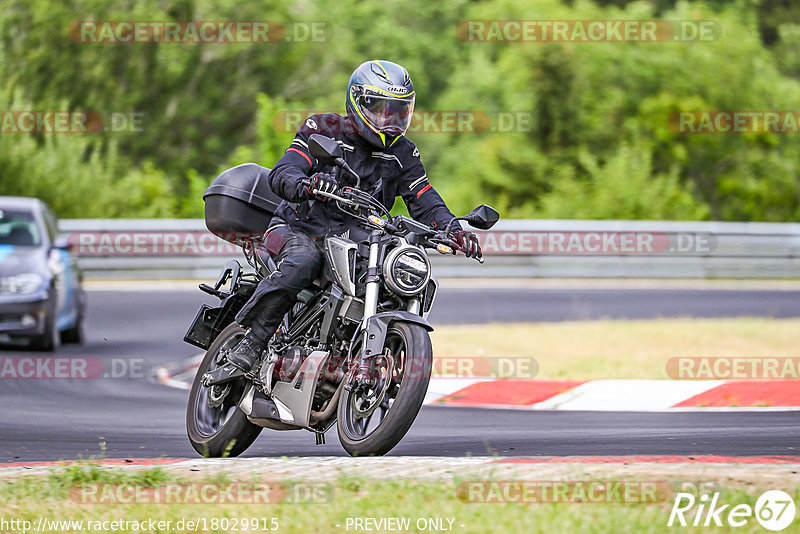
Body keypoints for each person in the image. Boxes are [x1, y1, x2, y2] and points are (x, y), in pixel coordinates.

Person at [227, 60, 482, 372]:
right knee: (303, 262)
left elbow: (424, 198)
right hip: (298, 228)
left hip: (357, 239)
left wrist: (453, 229)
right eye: (381, 109)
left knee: (399, 276)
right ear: (359, 102)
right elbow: (284, 171)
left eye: (398, 111)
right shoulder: (322, 128)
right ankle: (253, 340)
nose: (390, 120)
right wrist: (307, 184)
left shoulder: (403, 153)